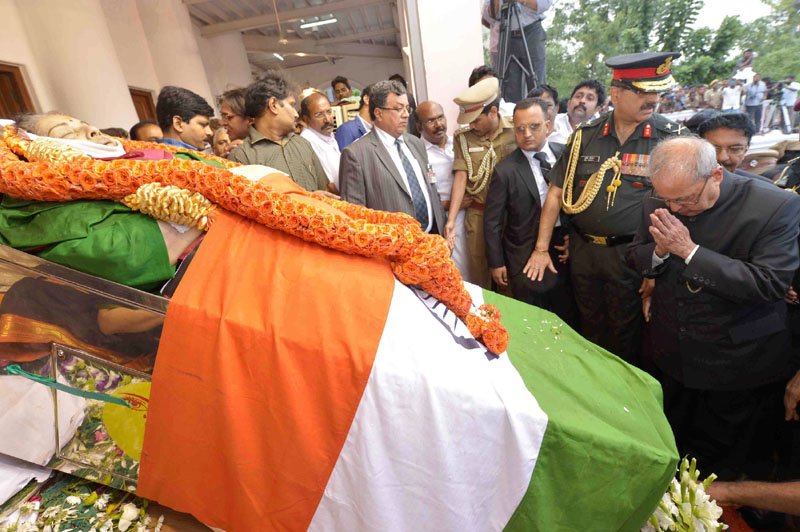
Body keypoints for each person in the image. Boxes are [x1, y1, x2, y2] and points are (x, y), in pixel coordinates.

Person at [626, 136, 800, 480]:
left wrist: (689, 252)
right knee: (673, 449)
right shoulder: (659, 198)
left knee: (726, 468)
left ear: (716, 176)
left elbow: (768, 283)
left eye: (685, 199)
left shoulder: (774, 206)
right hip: (672, 356)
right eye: (666, 198)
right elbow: (637, 254)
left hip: (736, 364)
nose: (674, 208)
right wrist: (660, 253)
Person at [527, 52, 686, 363]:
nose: (652, 100)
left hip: (635, 256)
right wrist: (541, 247)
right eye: (643, 92)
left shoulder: (671, 141)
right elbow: (557, 192)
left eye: (656, 92)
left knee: (629, 335)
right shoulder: (585, 136)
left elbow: (684, 205)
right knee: (589, 327)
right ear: (617, 93)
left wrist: (656, 264)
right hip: (585, 254)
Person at [484, 98, 576, 324]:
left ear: (548, 125)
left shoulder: (566, 154)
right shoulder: (505, 171)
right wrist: (496, 263)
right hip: (524, 255)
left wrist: (574, 238)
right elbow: (492, 222)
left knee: (569, 314)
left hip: (566, 250)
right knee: (534, 318)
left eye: (534, 127)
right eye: (520, 129)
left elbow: (580, 201)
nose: (526, 134)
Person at [339, 80, 445, 234]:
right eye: (398, 108)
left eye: (407, 108)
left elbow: (431, 187)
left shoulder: (416, 144)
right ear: (378, 113)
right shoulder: (356, 155)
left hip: (432, 238)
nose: (406, 114)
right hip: (392, 250)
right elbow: (355, 217)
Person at [446, 76, 517, 288]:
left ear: (493, 112)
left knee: (511, 272)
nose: (472, 125)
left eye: (476, 120)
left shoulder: (516, 130)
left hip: (511, 214)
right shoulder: (463, 138)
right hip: (479, 214)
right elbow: (461, 177)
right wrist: (451, 221)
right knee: (479, 273)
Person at [228, 70, 331, 194]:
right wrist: (307, 198)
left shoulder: (303, 144)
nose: (295, 113)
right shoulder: (242, 156)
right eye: (292, 105)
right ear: (273, 105)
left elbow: (324, 189)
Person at [417, 100, 467, 272]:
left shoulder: (459, 143)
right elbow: (418, 199)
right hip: (442, 221)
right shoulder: (418, 154)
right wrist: (451, 205)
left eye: (441, 117)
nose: (439, 125)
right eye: (430, 121)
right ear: (419, 126)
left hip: (471, 217)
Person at [483, 0, 552, 102]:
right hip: (506, 33)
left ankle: (539, 113)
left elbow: (544, 4)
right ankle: (513, 115)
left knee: (537, 82)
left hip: (531, 32)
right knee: (510, 86)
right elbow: (489, 17)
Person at [299, 91, 341, 190]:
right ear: (306, 119)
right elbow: (328, 185)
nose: (327, 119)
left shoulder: (327, 134)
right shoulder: (307, 141)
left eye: (329, 112)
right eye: (319, 115)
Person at [156, 85, 214, 151]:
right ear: (178, 124)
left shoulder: (148, 157)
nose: (210, 132)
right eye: (203, 125)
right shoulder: (184, 160)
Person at [549, 80, 604, 144]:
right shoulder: (553, 122)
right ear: (569, 103)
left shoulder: (600, 132)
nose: (582, 101)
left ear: (597, 109)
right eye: (578, 96)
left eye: (589, 98)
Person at [334, 84, 372, 150]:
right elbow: (344, 158)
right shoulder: (346, 129)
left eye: (343, 90)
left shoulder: (378, 129)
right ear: (366, 99)